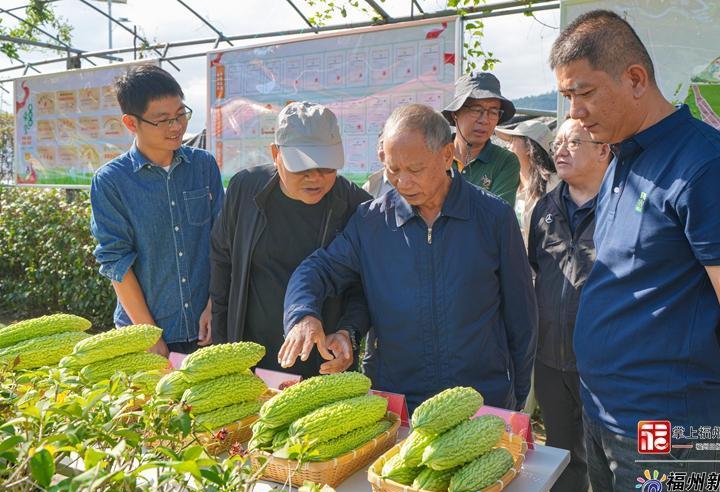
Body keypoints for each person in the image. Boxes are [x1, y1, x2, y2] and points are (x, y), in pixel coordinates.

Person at [551, 10, 720, 492]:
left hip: (675, 434)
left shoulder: (709, 166)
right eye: (566, 97)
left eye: (583, 93)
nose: (575, 113)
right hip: (609, 418)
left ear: (635, 79)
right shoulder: (622, 159)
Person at [279, 103, 537, 412]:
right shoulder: (371, 222)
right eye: (393, 170)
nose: (403, 182)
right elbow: (317, 269)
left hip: (479, 400)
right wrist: (303, 315)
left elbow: (521, 317)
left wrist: (516, 396)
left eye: (415, 170)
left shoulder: (493, 217)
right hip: (398, 403)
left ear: (446, 156)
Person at [209, 102, 371, 376]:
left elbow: (364, 288)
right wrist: (222, 345)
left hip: (324, 365)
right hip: (250, 359)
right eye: (302, 166)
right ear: (276, 154)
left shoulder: (356, 205)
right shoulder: (245, 189)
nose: (315, 177)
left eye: (326, 166)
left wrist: (348, 333)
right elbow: (222, 261)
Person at [90, 64, 223, 356]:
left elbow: (222, 241)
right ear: (131, 123)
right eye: (163, 120)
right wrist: (148, 335)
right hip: (144, 335)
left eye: (181, 114)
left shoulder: (203, 166)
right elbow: (116, 261)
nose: (176, 127)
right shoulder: (111, 181)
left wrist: (215, 305)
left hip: (205, 329)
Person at [528, 118, 610, 492]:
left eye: (573, 142)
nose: (560, 150)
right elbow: (535, 270)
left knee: (610, 462)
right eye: (557, 142)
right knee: (562, 456)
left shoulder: (620, 208)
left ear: (603, 149)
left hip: (604, 364)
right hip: (550, 359)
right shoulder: (544, 209)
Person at [441, 72, 521, 205]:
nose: (484, 120)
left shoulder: (504, 161)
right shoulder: (435, 154)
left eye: (493, 112)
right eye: (476, 110)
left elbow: (497, 213)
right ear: (455, 113)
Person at [495, 118, 558, 245]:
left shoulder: (554, 185)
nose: (507, 146)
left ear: (529, 148)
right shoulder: (510, 183)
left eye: (512, 140)